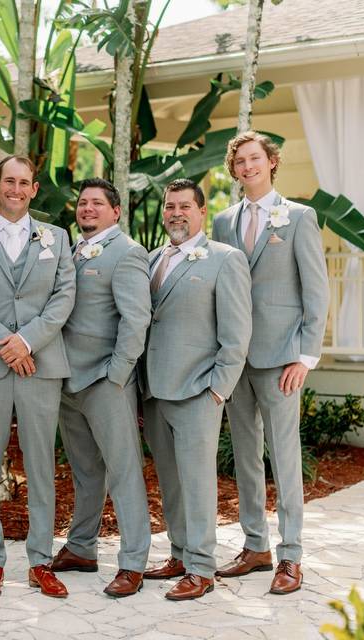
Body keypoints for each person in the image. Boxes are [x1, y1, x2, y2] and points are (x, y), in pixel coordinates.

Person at [0, 155, 76, 599]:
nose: (17, 189)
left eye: (25, 183)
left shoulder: (57, 238)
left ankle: (41, 560)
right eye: (10, 181)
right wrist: (6, 344)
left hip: (40, 365)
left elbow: (64, 297)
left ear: (34, 189)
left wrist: (28, 342)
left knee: (41, 464)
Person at [211, 131, 329, 595]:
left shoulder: (299, 217)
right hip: (236, 359)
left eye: (254, 158)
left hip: (282, 360)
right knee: (244, 456)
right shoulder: (222, 222)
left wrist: (306, 356)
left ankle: (291, 555)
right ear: (233, 168)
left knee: (284, 457)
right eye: (239, 161)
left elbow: (316, 290)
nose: (247, 167)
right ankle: (255, 545)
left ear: (271, 162)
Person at [141, 179, 252, 600]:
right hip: (154, 391)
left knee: (198, 481)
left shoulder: (225, 260)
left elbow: (236, 334)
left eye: (185, 206)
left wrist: (218, 391)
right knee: (171, 481)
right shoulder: (152, 259)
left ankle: (202, 568)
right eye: (170, 206)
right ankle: (180, 553)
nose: (176, 213)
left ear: (202, 211)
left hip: (198, 393)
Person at [50, 178, 152, 598]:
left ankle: (133, 563)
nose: (87, 208)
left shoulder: (127, 253)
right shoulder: (68, 250)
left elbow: (135, 320)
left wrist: (118, 374)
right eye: (83, 203)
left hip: (106, 380)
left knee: (124, 471)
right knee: (85, 470)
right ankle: (81, 546)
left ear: (116, 211)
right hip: (66, 379)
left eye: (97, 203)